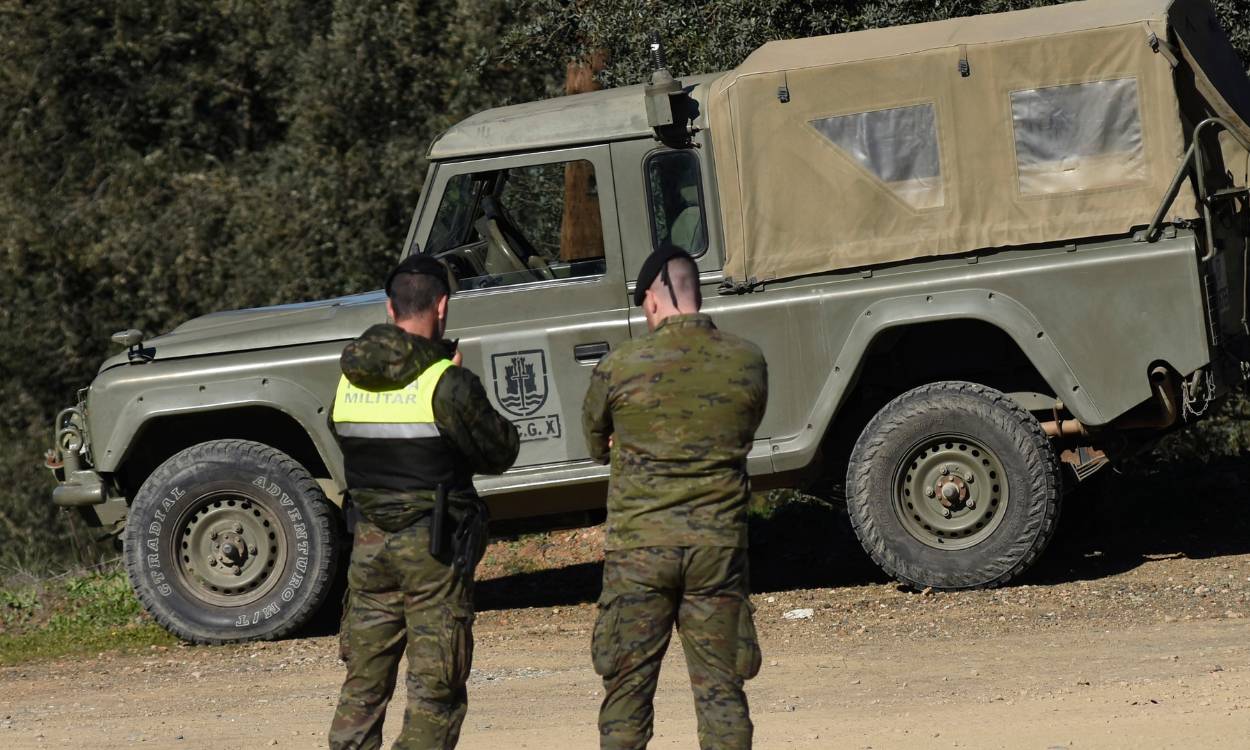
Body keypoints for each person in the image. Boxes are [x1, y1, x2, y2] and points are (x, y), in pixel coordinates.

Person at [581, 245, 769, 749]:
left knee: (626, 692)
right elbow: (745, 430)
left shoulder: (618, 366)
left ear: (652, 299)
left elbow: (595, 443)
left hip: (639, 551)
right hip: (718, 548)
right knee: (721, 691)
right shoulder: (747, 360)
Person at [328, 254, 520, 750]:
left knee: (363, 688)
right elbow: (499, 451)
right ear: (442, 307)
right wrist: (457, 382)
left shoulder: (348, 379)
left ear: (390, 310)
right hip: (433, 550)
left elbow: (343, 437)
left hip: (369, 548)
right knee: (436, 691)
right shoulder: (446, 383)